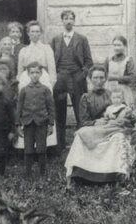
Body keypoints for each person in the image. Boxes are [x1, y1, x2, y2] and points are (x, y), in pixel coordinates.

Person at [64, 66, 136, 187]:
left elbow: (123, 114)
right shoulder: (86, 97)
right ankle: (81, 173)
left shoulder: (113, 96)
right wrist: (96, 122)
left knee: (118, 137)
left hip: (111, 128)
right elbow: (83, 121)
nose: (99, 81)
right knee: (80, 137)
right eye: (95, 78)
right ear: (90, 79)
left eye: (102, 78)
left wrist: (122, 118)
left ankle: (116, 174)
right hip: (94, 128)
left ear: (106, 79)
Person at [50, 10, 93, 153]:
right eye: (65, 18)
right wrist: (54, 76)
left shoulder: (82, 39)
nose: (68, 21)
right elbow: (51, 61)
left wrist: (82, 74)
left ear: (74, 21)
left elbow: (88, 61)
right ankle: (59, 146)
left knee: (80, 110)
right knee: (59, 111)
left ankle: (81, 146)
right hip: (60, 77)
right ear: (62, 21)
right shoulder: (56, 40)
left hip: (77, 77)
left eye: (71, 18)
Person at [15, 20, 57, 149]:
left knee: (42, 108)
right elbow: (19, 71)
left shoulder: (47, 49)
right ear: (28, 33)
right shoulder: (23, 50)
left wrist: (50, 84)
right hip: (26, 79)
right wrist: (19, 85)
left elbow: (52, 70)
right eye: (32, 31)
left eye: (37, 31)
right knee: (27, 108)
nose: (35, 34)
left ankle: (45, 145)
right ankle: (26, 145)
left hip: (43, 78)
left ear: (41, 33)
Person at [15, 62, 55, 177]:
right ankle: (28, 172)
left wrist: (51, 124)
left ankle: (42, 172)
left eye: (37, 72)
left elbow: (51, 108)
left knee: (41, 148)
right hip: (28, 123)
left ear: (41, 73)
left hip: (41, 122)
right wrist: (17, 124)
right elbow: (19, 108)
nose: (35, 75)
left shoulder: (45, 90)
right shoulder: (24, 90)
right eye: (32, 73)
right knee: (28, 148)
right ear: (28, 74)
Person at [104, 35, 136, 112]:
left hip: (123, 91)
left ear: (124, 46)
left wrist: (114, 78)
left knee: (125, 111)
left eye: (119, 45)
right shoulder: (108, 60)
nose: (116, 48)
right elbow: (104, 75)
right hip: (110, 90)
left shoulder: (128, 60)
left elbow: (132, 77)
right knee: (109, 110)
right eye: (114, 45)